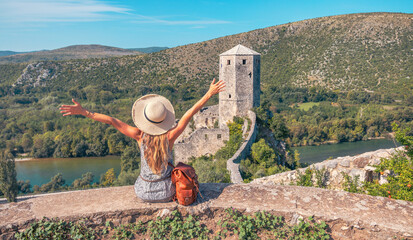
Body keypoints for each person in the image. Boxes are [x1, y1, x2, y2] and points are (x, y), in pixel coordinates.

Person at [59, 79, 225, 202]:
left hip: (143, 192)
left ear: (145, 119)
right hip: (167, 193)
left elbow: (112, 120)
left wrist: (84, 112)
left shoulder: (139, 136)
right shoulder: (169, 137)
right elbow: (189, 113)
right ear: (165, 120)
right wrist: (209, 94)